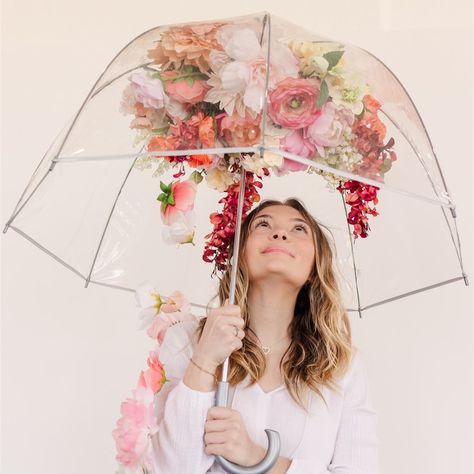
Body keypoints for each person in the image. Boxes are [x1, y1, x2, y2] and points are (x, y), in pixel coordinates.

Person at [150, 198, 379, 473]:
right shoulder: (187, 340)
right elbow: (170, 469)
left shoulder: (343, 367)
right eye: (263, 224)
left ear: (314, 267)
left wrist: (258, 457)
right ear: (239, 255)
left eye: (298, 229)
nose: (280, 233)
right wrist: (204, 359)